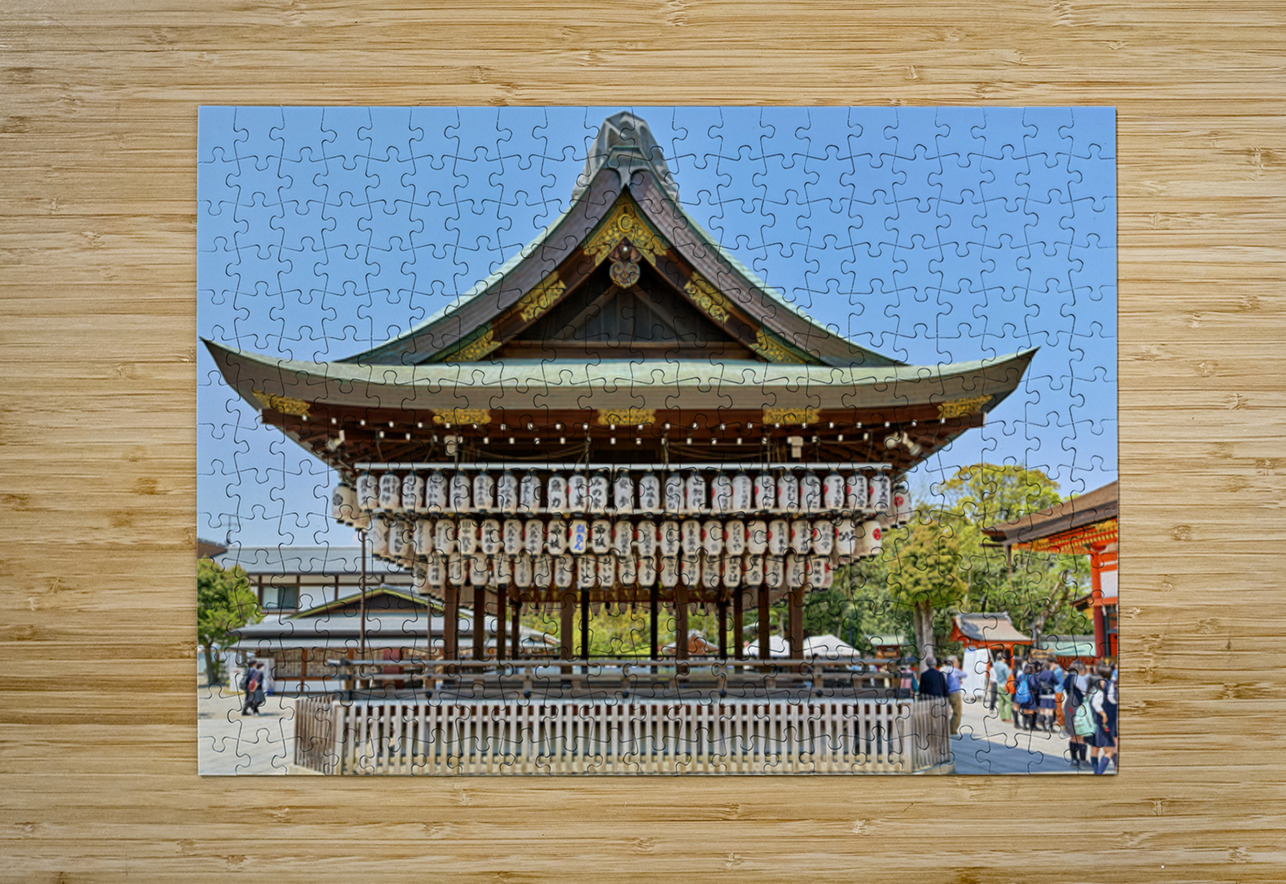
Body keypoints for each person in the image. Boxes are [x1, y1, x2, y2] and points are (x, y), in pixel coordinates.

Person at [1062, 661, 1088, 768]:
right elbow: (1086, 692)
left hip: (1069, 707)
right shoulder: (1078, 678)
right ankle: (1083, 761)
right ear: (1080, 669)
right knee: (1081, 736)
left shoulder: (1067, 678)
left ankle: (1074, 760)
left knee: (1073, 736)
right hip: (1078, 708)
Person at [942, 655, 966, 736]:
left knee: (950, 712)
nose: (958, 663)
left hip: (949, 693)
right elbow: (965, 674)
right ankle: (952, 730)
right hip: (955, 693)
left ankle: (949, 728)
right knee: (957, 712)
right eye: (957, 661)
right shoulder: (955, 670)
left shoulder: (947, 670)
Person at [1037, 660, 1060, 732]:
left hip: (1041, 694)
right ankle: (1051, 728)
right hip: (1050, 694)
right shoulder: (1051, 673)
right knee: (1050, 711)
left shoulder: (1039, 673)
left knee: (1042, 711)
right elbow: (1057, 682)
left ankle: (1043, 728)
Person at [992, 653, 1012, 723]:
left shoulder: (995, 665)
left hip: (998, 684)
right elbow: (1008, 676)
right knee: (1009, 701)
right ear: (1003, 658)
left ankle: (1002, 717)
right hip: (1005, 685)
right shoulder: (1004, 666)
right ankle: (1008, 717)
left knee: (1001, 701)